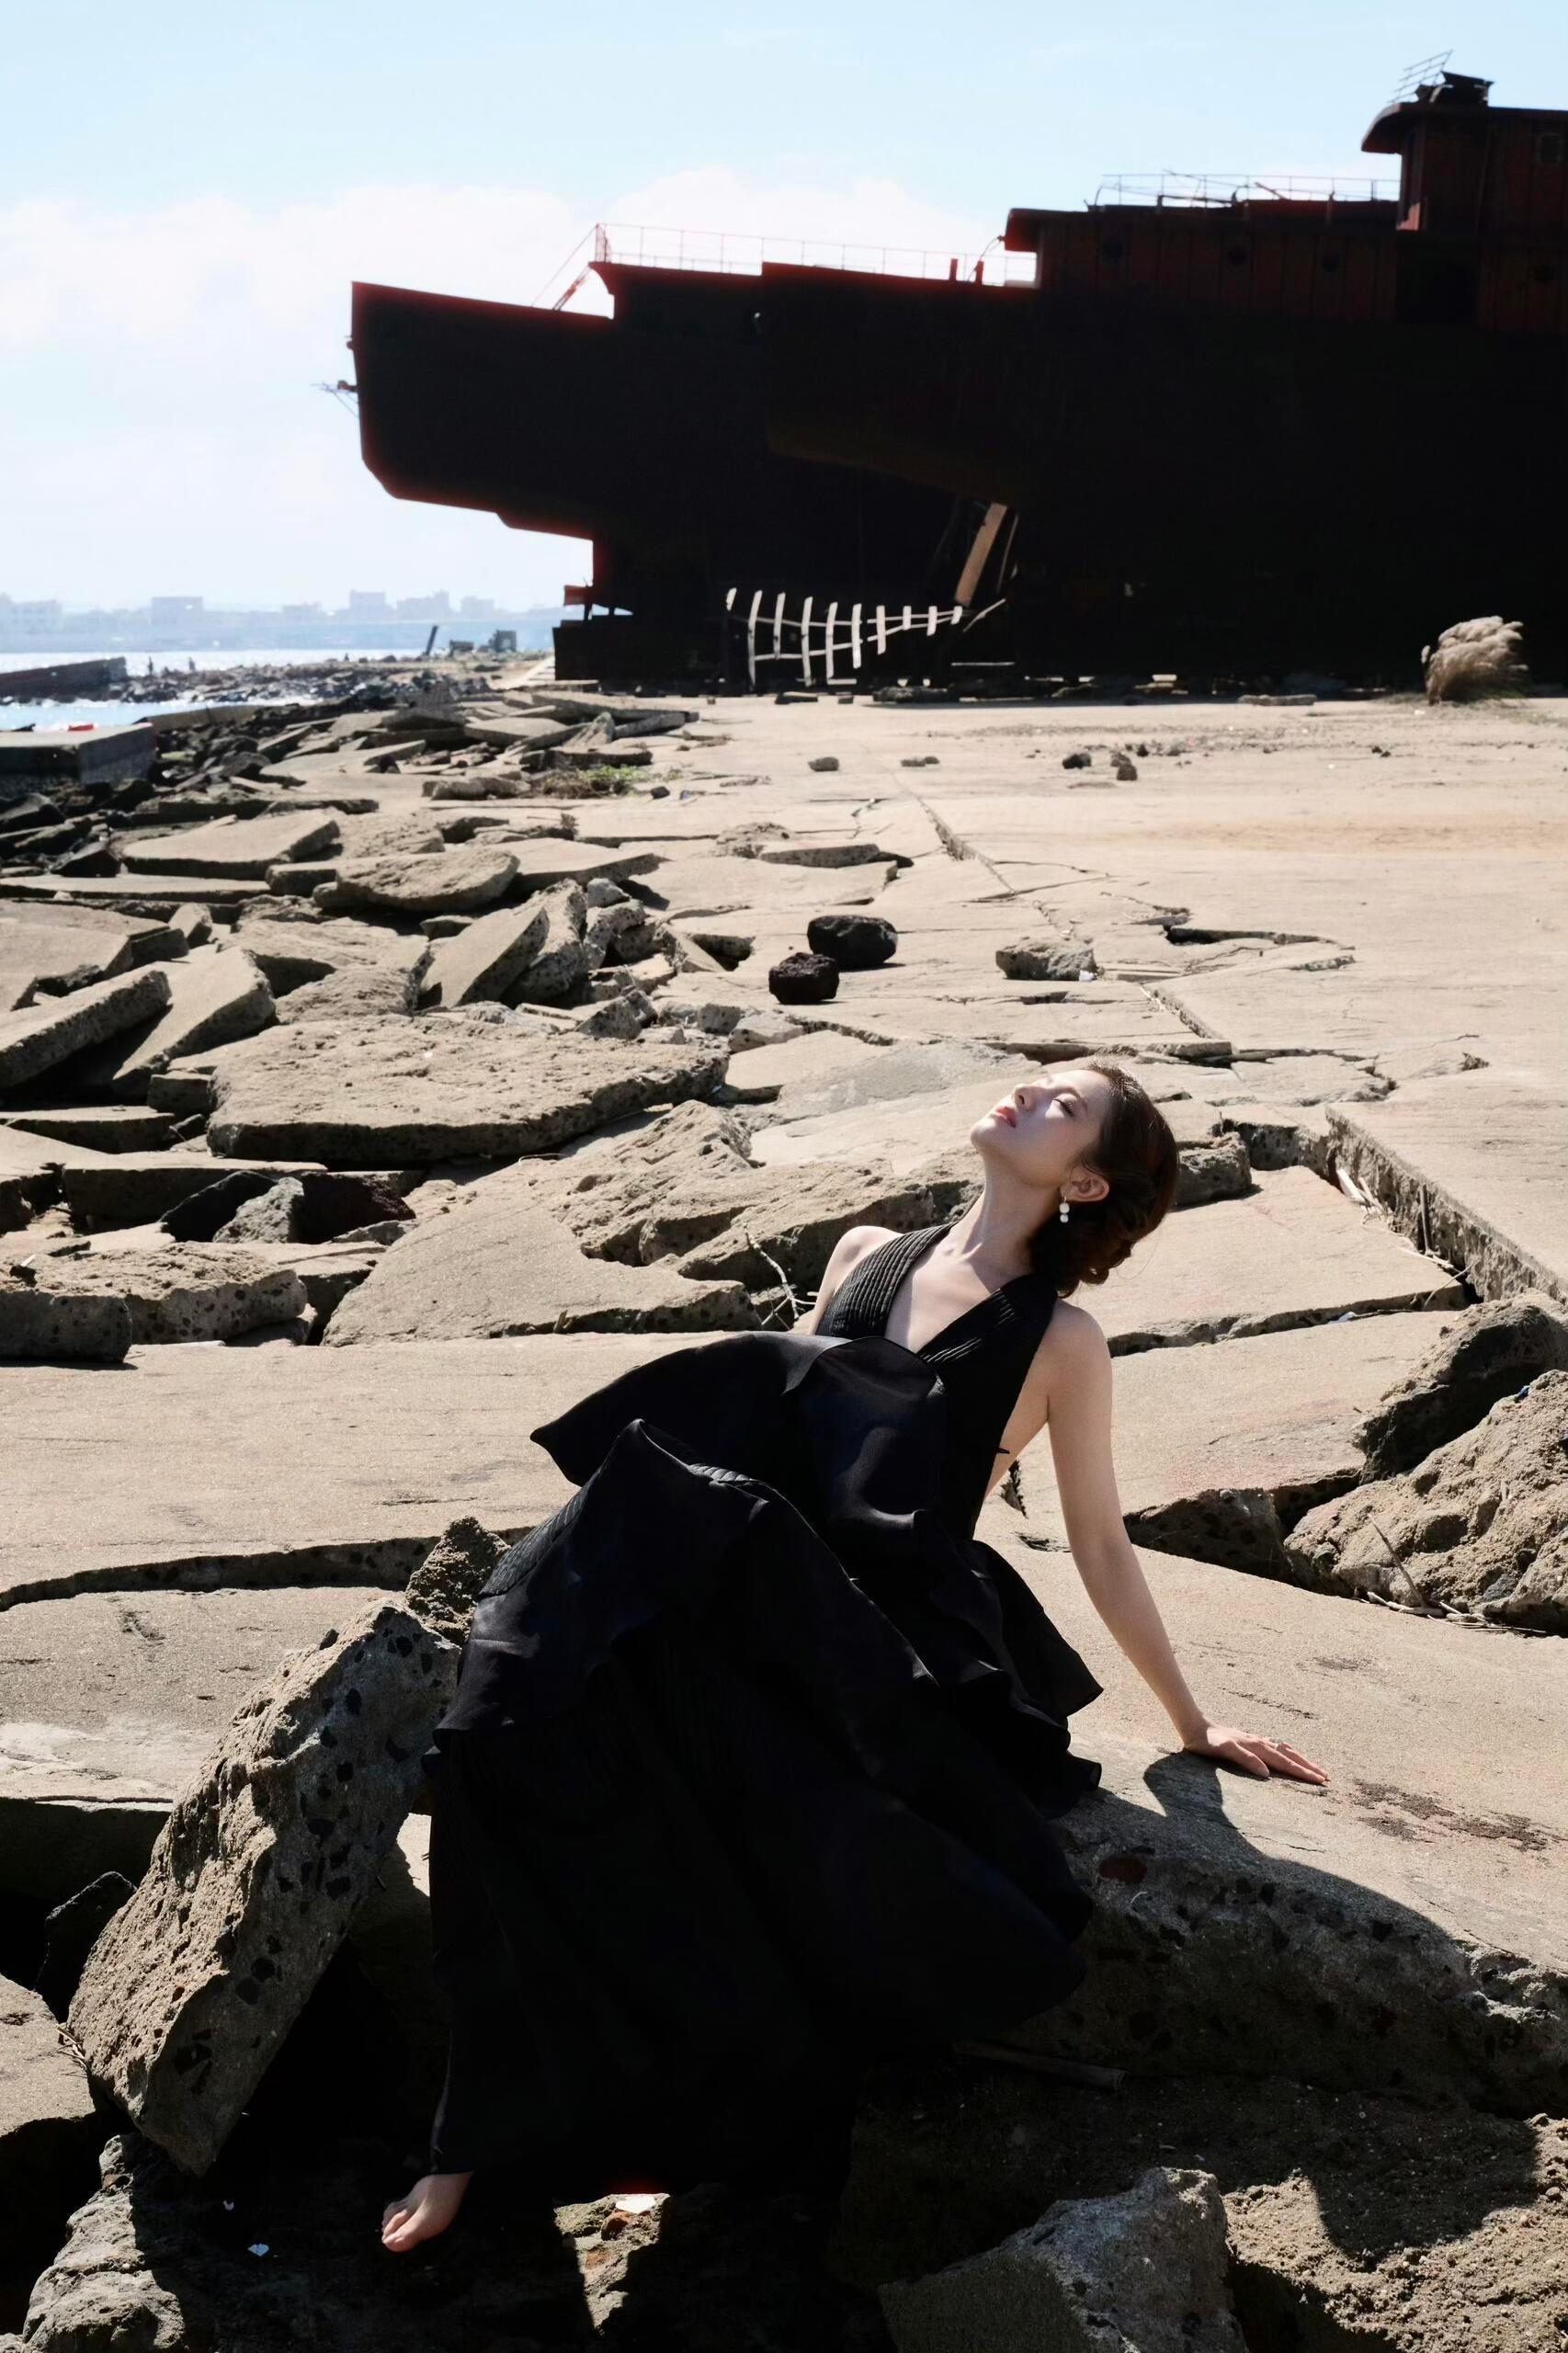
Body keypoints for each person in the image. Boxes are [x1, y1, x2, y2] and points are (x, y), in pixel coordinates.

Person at [382, 1059, 1326, 2253]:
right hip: (757, 1578)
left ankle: (578, 2138)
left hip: (885, 1636)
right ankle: (480, 2118)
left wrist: (1191, 1724)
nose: (1027, 1094)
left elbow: (1098, 1540)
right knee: (501, 1712)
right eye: (1038, 1079)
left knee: (716, 1799)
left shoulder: (1061, 1340)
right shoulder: (863, 1254)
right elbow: (755, 1433)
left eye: (1064, 1107)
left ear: (1086, 1182)